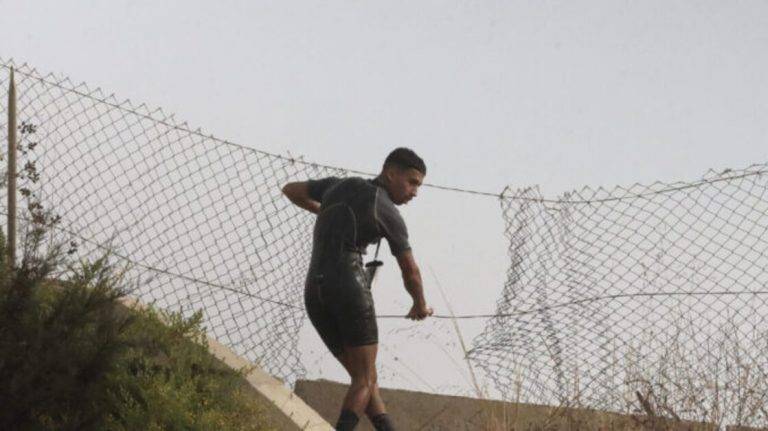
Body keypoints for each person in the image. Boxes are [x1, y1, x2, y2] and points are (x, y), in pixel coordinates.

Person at [282, 147, 433, 431]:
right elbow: (410, 271)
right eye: (412, 182)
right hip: (349, 287)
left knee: (362, 376)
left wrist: (322, 210)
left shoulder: (339, 185)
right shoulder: (387, 210)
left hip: (315, 290)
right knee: (365, 380)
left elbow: (291, 190)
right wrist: (419, 304)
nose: (415, 192)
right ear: (390, 174)